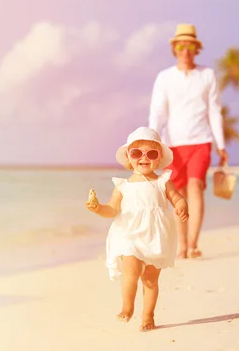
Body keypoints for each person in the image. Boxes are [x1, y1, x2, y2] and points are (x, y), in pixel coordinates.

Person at [85, 126, 188, 331]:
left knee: (150, 280)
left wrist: (181, 206)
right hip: (129, 233)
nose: (144, 158)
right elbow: (112, 209)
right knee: (130, 270)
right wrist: (98, 209)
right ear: (128, 158)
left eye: (151, 153)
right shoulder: (123, 185)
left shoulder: (162, 182)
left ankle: (148, 316)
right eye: (136, 153)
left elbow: (177, 197)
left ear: (159, 159)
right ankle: (127, 307)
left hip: (155, 236)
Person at [148, 23, 227, 259]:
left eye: (190, 45)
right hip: (172, 145)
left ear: (196, 48)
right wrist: (153, 141)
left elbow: (215, 111)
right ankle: (181, 245)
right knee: (177, 194)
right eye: (181, 45)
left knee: (195, 187)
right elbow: (157, 112)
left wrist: (220, 144)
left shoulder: (207, 75)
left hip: (201, 141)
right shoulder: (164, 77)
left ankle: (192, 245)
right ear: (175, 48)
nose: (185, 50)